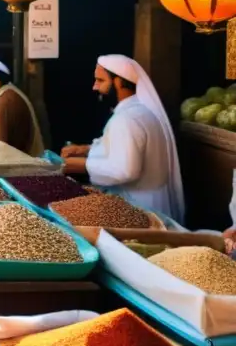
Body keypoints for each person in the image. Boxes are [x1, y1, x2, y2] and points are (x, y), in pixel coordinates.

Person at [61, 55, 185, 223]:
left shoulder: (128, 119)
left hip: (141, 209)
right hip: (151, 202)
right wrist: (85, 149)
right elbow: (125, 147)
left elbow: (124, 170)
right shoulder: (138, 112)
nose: (94, 86)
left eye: (100, 80)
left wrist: (76, 165)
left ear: (119, 82)